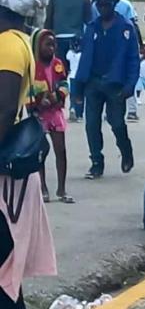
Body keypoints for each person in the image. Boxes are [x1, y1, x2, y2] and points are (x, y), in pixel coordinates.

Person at [0, 0, 56, 309]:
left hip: (4, 179)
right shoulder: (20, 39)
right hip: (15, 176)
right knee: (6, 274)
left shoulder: (6, 44)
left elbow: (3, 110)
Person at [73, 0, 139, 179]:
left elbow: (133, 59)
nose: (102, 7)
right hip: (92, 82)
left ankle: (125, 151)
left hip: (116, 84)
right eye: (99, 4)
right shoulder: (92, 27)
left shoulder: (126, 27)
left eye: (106, 4)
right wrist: (77, 88)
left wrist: (130, 85)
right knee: (91, 124)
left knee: (116, 122)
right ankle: (96, 162)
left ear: (114, 5)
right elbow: (84, 59)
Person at [29, 30, 75, 204]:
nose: (52, 47)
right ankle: (43, 188)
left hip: (55, 112)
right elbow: (27, 89)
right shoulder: (32, 66)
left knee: (60, 150)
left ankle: (61, 189)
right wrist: (37, 101)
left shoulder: (58, 63)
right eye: (47, 44)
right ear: (37, 46)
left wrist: (59, 94)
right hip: (38, 114)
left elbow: (64, 83)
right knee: (41, 151)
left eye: (53, 44)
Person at [44, 0, 90, 66]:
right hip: (75, 39)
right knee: (73, 69)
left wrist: (46, 36)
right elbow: (89, 21)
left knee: (58, 68)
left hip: (57, 37)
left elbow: (49, 19)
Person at [66, 38, 83, 122]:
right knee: (79, 96)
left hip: (72, 76)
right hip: (79, 76)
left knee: (72, 95)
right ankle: (79, 114)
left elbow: (67, 57)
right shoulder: (81, 54)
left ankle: (72, 108)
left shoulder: (69, 53)